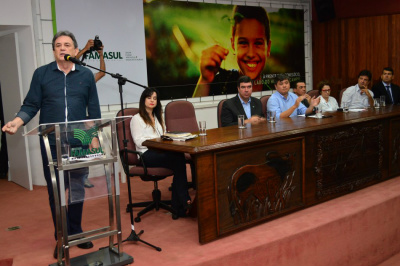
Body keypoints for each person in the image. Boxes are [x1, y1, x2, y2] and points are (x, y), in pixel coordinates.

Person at [2, 30, 100, 259]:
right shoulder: (42, 74)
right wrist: (16, 123)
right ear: (54, 50)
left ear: (76, 50)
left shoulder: (85, 75)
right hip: (51, 141)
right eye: (58, 45)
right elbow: (30, 105)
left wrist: (93, 136)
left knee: (76, 187)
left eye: (67, 44)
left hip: (78, 139)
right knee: (56, 191)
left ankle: (76, 231)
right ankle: (62, 237)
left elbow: (92, 110)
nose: (62, 48)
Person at [130, 88, 192, 217]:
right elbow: (138, 141)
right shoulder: (137, 119)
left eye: (155, 98)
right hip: (146, 154)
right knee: (178, 160)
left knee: (179, 159)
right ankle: (183, 202)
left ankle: (179, 206)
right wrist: (156, 143)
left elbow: (162, 135)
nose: (152, 101)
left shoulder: (157, 117)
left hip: (159, 151)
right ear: (143, 100)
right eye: (149, 98)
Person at [193, 5, 271, 97]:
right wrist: (205, 80)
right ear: (233, 44)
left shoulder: (273, 95)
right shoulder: (219, 83)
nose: (251, 53)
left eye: (258, 43)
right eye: (243, 43)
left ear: (268, 48)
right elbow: (194, 110)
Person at [75, 39, 106, 188]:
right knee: (78, 148)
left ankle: (84, 177)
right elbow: (71, 61)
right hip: (75, 118)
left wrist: (101, 54)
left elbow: (102, 73)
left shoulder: (88, 79)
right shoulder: (69, 80)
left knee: (89, 147)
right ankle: (77, 177)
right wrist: (85, 49)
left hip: (89, 119)